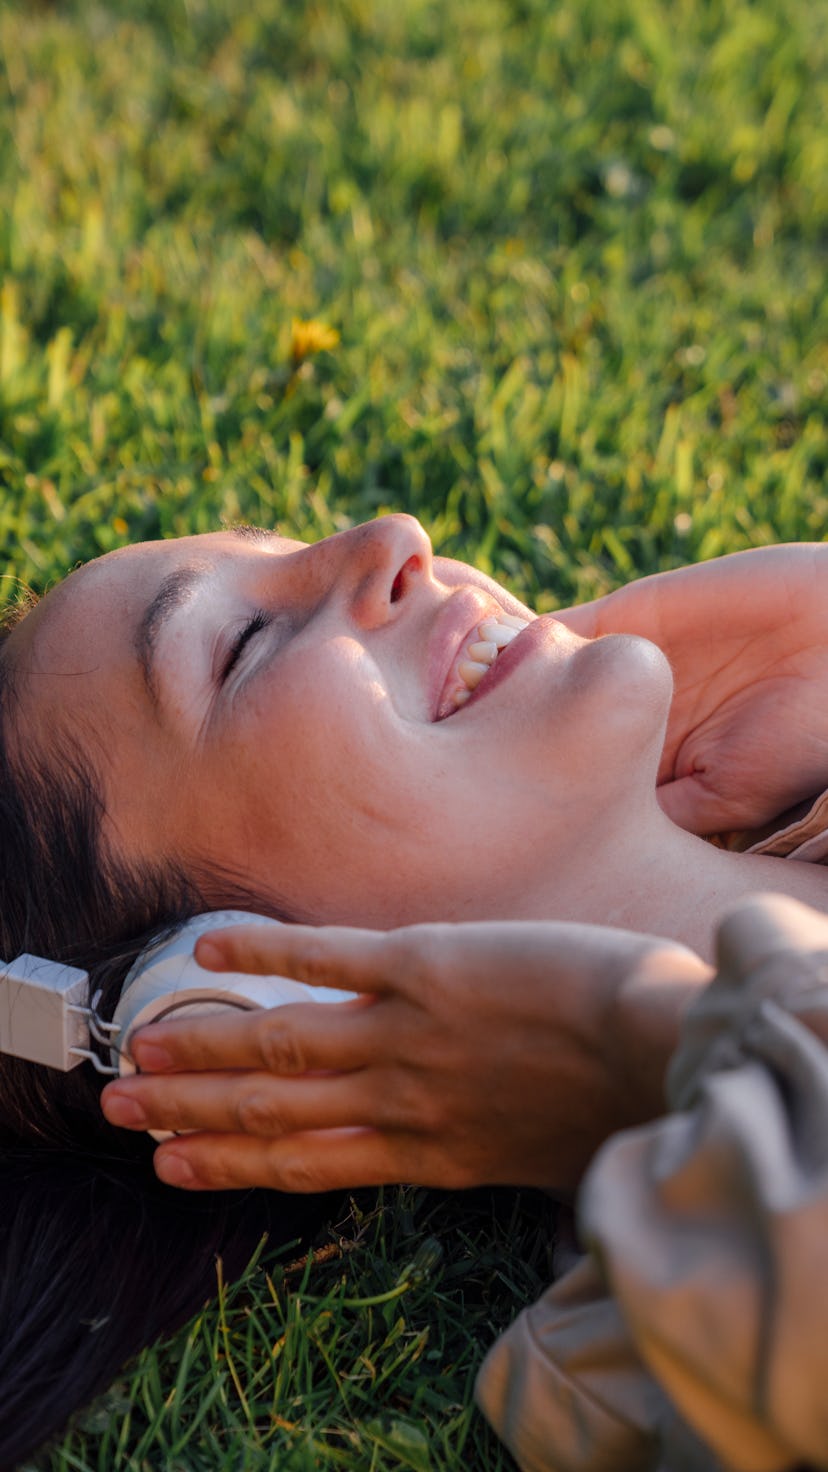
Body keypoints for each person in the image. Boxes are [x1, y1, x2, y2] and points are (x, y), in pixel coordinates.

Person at [2, 517, 828, 1467]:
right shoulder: (690, 1330)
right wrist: (656, 1058)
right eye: (242, 647)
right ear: (217, 1003)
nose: (395, 538)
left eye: (278, 538)